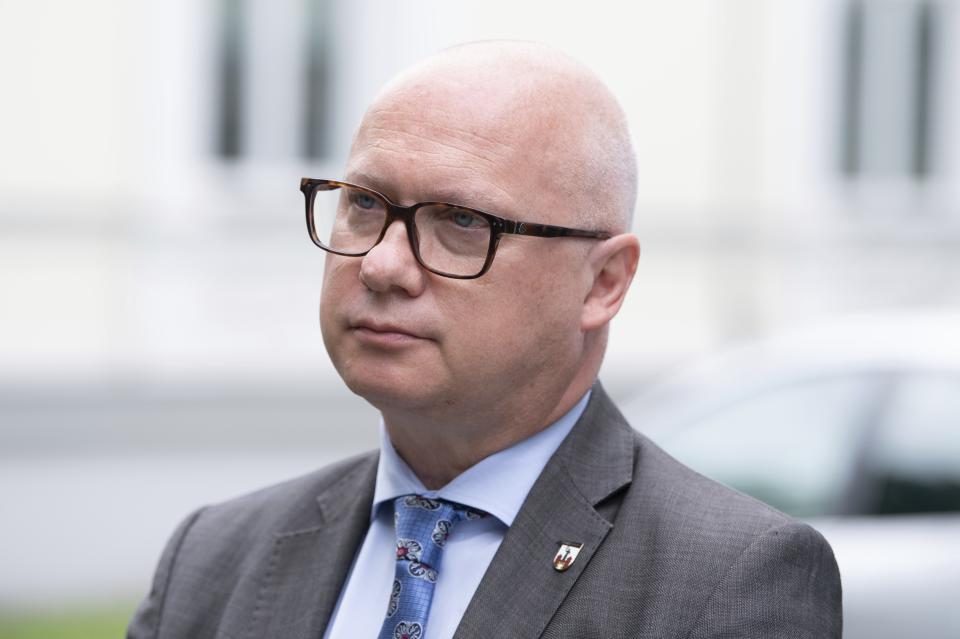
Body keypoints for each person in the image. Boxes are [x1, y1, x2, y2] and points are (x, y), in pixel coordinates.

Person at [127, 41, 842, 639]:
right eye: (365, 204)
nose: (381, 264)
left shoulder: (729, 582)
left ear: (603, 283)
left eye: (462, 221)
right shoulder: (212, 561)